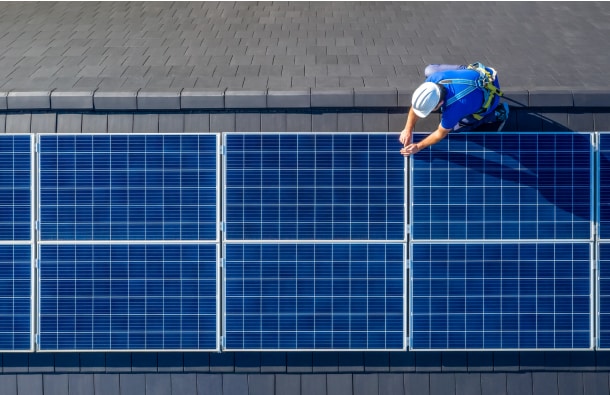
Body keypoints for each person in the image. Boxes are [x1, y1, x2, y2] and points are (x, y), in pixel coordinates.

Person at [399, 63, 509, 156]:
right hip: (481, 73)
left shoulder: (454, 110)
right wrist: (407, 129)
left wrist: (419, 146)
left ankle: (497, 114)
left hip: (490, 95)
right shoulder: (433, 80)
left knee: (459, 126)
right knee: (429, 70)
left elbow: (440, 134)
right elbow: (416, 106)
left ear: (441, 103)